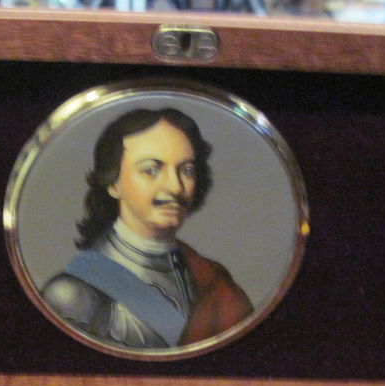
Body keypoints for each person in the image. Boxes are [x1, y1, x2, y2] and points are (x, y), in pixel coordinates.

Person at [41, 108, 253, 349]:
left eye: (186, 170)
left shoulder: (213, 279)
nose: (175, 187)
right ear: (114, 183)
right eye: (151, 170)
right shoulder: (73, 296)